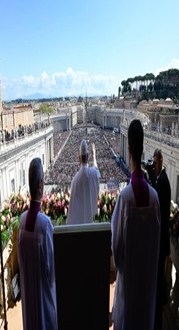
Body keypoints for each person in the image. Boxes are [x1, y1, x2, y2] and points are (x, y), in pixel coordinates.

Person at [111, 119, 161, 330]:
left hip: (129, 286)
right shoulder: (155, 198)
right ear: (141, 150)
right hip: (148, 286)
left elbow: (116, 247)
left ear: (129, 151)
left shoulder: (125, 198)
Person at [17, 157, 58, 330]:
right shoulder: (45, 223)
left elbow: (21, 262)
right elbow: (51, 270)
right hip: (42, 297)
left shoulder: (22, 220)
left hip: (28, 294)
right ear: (41, 185)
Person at [153, 148, 171, 330]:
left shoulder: (163, 182)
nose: (155, 166)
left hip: (161, 240)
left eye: (156, 162)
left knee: (158, 281)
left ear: (161, 161)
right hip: (161, 240)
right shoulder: (162, 180)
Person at [66, 139, 100, 224]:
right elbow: (97, 171)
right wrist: (94, 156)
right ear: (88, 156)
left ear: (79, 159)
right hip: (90, 224)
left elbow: (72, 210)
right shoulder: (92, 173)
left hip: (78, 225)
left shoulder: (74, 181)